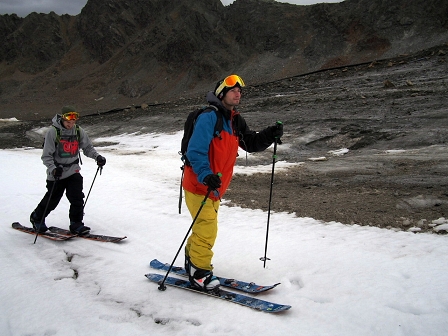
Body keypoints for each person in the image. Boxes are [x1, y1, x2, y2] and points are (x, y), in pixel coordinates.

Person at [182, 74, 283, 291]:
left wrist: (268, 135)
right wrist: (205, 174)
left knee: (202, 227)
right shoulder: (209, 117)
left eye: (240, 90)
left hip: (215, 188)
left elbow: (251, 143)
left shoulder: (235, 120)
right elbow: (195, 151)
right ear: (221, 94)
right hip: (199, 184)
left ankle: (191, 260)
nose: (238, 93)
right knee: (207, 229)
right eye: (233, 90)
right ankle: (199, 273)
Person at [30, 106, 106, 235]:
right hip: (57, 173)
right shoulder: (53, 132)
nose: (70, 125)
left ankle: (76, 224)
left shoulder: (78, 131)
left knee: (77, 198)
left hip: (73, 170)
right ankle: (37, 218)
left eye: (73, 122)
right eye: (68, 122)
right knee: (52, 199)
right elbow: (46, 156)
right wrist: (53, 169)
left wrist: (97, 157)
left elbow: (87, 147)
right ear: (62, 119)